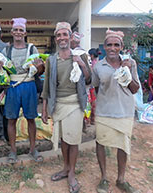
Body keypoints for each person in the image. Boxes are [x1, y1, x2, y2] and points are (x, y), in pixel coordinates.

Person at [41, 22, 91, 193]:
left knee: (73, 139)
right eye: (59, 35)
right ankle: (65, 168)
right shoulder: (51, 60)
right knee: (64, 139)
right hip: (59, 104)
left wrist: (82, 65)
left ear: (70, 37)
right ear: (56, 39)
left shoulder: (80, 56)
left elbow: (89, 79)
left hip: (75, 104)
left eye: (65, 34)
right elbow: (47, 85)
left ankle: (71, 173)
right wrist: (45, 109)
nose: (62, 38)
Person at [91, 29, 140, 193]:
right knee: (101, 143)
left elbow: (135, 89)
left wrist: (126, 73)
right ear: (104, 46)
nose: (112, 48)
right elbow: (97, 88)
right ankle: (104, 178)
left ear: (121, 47)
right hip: (104, 112)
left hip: (124, 112)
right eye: (109, 45)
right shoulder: (98, 66)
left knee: (123, 146)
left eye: (116, 45)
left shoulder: (131, 63)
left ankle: (121, 179)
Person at [1, 17, 44, 164]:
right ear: (11, 32)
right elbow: (2, 71)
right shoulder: (6, 50)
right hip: (12, 86)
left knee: (31, 118)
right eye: (16, 30)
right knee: (11, 119)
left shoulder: (32, 49)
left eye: (21, 30)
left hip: (29, 85)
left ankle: (33, 148)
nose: (18, 33)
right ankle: (13, 151)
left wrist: (40, 66)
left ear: (25, 33)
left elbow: (39, 70)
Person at [88, 48, 100, 125]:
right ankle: (92, 119)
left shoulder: (93, 64)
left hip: (91, 86)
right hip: (94, 86)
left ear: (92, 55)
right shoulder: (98, 63)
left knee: (91, 103)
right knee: (93, 103)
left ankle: (90, 120)